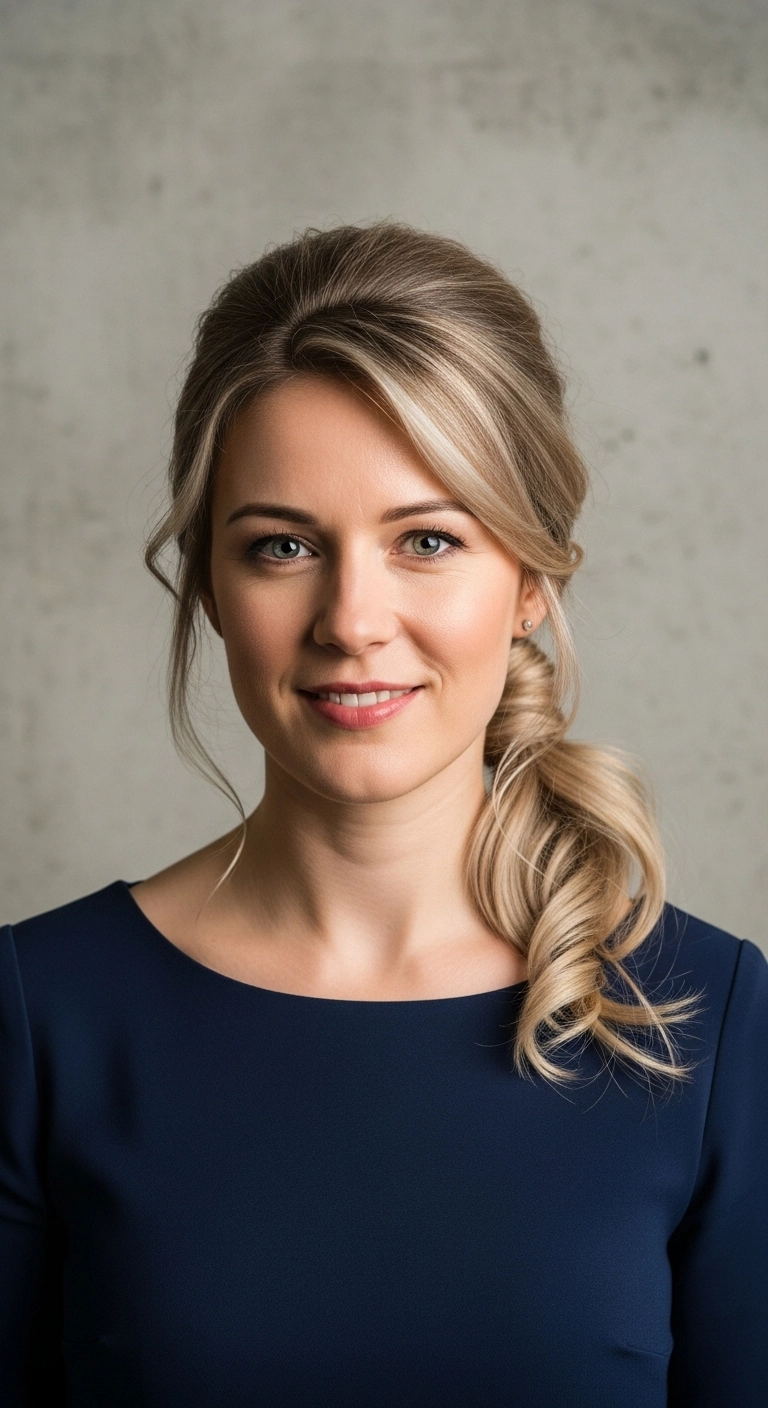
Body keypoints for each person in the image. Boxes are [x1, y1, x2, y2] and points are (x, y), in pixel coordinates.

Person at [1, 221, 766, 1407]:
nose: (352, 619)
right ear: (210, 584)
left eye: (427, 540)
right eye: (282, 545)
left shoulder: (711, 1022)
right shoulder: (38, 1016)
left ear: (530, 580)